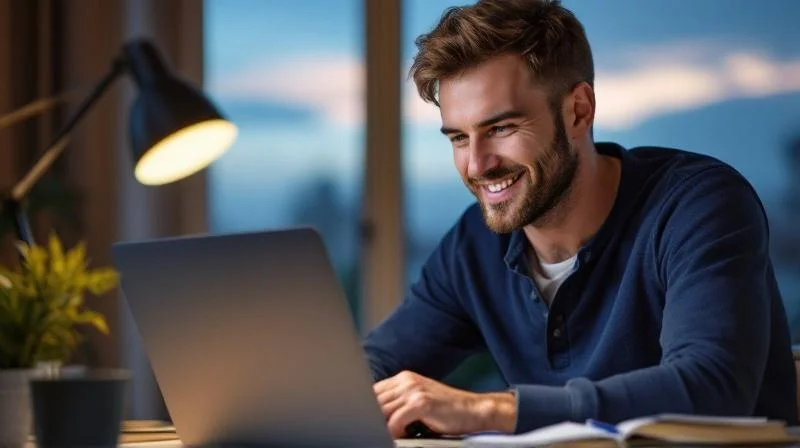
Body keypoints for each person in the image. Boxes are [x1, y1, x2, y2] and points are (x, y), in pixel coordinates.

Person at [362, 0, 799, 438]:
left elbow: (713, 386)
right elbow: (371, 368)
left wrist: (490, 410)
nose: (476, 165)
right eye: (459, 137)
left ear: (579, 111)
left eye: (501, 129)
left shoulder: (698, 205)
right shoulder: (473, 244)